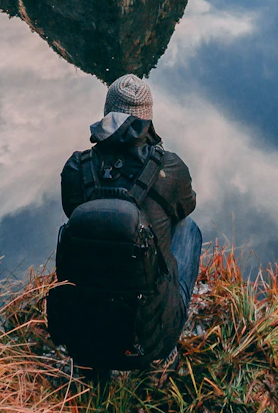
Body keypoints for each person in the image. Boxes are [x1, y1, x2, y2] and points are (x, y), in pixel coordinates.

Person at [46, 74, 201, 372]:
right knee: (188, 229)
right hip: (149, 341)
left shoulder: (77, 167)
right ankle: (163, 358)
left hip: (83, 338)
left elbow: (71, 212)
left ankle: (92, 364)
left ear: (106, 114)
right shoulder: (170, 167)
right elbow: (187, 206)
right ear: (148, 119)